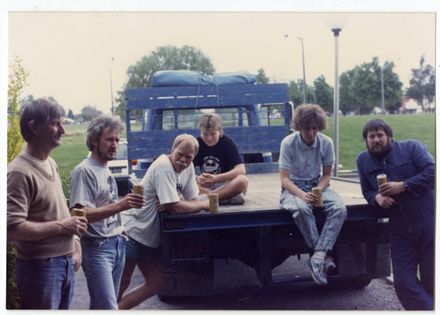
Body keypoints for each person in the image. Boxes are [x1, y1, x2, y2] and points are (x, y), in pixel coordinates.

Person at [7, 99, 88, 309]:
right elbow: (12, 230)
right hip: (40, 268)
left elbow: (57, 210)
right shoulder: (19, 172)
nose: (62, 129)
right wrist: (63, 227)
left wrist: (75, 244)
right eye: (55, 123)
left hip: (65, 262)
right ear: (34, 127)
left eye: (62, 123)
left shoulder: (50, 163)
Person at [118, 134, 209, 309]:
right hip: (133, 231)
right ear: (172, 149)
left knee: (157, 283)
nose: (183, 160)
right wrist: (202, 205)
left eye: (188, 157)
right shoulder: (163, 166)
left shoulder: (187, 169)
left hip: (150, 237)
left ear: (193, 158)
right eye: (180, 154)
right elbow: (175, 207)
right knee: (120, 284)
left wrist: (181, 202)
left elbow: (190, 198)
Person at [356, 119, 434, 310]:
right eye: (371, 136)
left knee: (432, 279)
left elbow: (433, 172)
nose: (376, 140)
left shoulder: (411, 148)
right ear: (366, 140)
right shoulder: (363, 160)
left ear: (390, 137)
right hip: (399, 230)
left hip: (428, 223)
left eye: (380, 135)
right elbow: (367, 191)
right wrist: (376, 198)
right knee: (403, 283)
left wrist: (403, 186)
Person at [69, 115, 144, 310]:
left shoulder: (104, 168)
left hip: (117, 243)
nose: (115, 144)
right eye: (110, 139)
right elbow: (79, 213)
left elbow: (106, 204)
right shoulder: (83, 171)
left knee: (101, 307)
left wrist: (120, 229)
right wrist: (121, 205)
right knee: (108, 308)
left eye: (117, 140)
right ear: (94, 140)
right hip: (97, 248)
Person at [278, 103, 347, 285]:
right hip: (293, 187)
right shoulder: (288, 143)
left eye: (315, 128)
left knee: (339, 209)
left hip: (318, 185)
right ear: (299, 126)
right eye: (307, 128)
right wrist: (302, 195)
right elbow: (284, 179)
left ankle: (317, 258)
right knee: (301, 209)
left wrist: (318, 190)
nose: (311, 133)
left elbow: (326, 176)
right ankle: (323, 258)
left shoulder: (326, 142)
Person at [193, 113, 248, 204]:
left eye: (213, 134)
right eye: (205, 134)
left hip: (224, 184)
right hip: (204, 185)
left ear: (220, 131)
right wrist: (197, 178)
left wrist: (215, 178)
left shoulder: (227, 142)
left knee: (242, 181)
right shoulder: (196, 143)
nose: (209, 138)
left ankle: (208, 198)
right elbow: (184, 169)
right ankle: (220, 198)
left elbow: (241, 170)